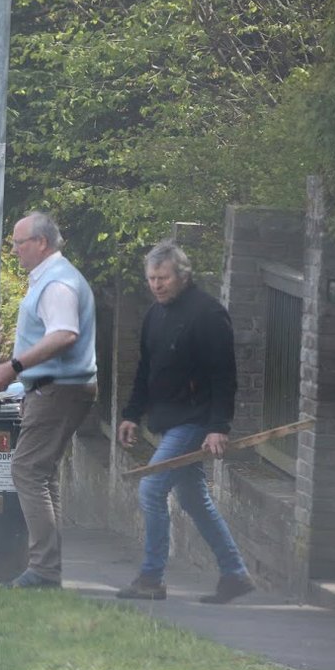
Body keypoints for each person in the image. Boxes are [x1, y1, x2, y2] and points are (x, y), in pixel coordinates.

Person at [115, 241, 255, 604]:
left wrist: (218, 426)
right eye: (151, 279)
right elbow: (145, 370)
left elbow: (225, 375)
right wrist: (131, 414)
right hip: (169, 419)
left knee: (151, 490)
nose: (156, 285)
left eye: (163, 278)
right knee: (194, 499)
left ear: (182, 275)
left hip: (195, 421)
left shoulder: (208, 314)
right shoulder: (154, 315)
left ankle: (151, 578)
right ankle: (234, 574)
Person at [0, 212, 97, 589]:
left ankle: (44, 570)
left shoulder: (57, 284)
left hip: (57, 388)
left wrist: (13, 367)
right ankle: (46, 567)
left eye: (20, 243)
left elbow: (64, 334)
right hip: (55, 388)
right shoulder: (54, 279)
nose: (15, 250)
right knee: (42, 473)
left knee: (27, 470)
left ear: (42, 243)